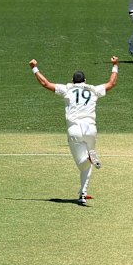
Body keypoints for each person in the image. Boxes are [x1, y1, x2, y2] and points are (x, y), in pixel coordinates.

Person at [28, 57, 119, 206]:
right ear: (85, 80)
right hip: (91, 129)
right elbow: (112, 83)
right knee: (88, 164)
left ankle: (90, 158)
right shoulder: (93, 90)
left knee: (83, 164)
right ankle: (82, 193)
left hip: (75, 130)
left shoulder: (67, 89)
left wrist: (34, 68)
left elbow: (45, 83)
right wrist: (115, 65)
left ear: (72, 80)